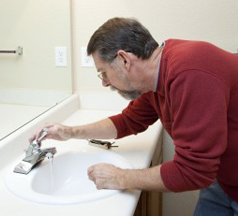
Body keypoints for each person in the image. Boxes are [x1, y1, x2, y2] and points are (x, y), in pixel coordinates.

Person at [31, 18, 238, 215]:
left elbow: (193, 172)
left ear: (124, 60)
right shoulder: (158, 75)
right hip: (223, 182)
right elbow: (128, 121)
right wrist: (70, 132)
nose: (104, 82)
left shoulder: (190, 72)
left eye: (103, 72)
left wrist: (120, 177)